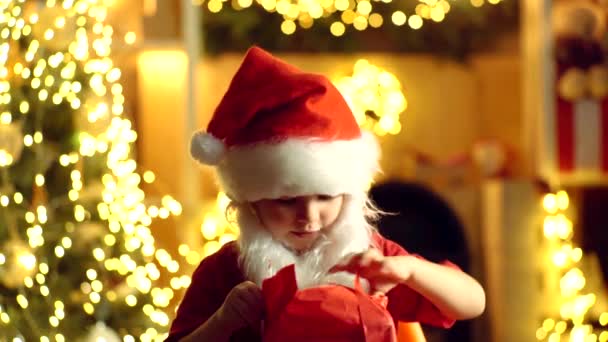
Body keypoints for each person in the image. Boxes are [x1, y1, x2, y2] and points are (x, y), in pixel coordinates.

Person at [165, 46, 486, 342]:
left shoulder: (369, 259)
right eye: (287, 200)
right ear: (252, 201)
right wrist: (222, 321)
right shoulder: (225, 271)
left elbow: (472, 302)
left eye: (325, 196)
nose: (309, 215)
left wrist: (411, 272)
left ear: (346, 194)